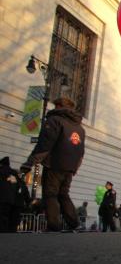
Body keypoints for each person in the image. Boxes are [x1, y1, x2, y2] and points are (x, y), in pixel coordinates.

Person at [20, 97, 85, 232]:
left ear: (60, 106)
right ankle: (74, 223)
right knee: (63, 194)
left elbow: (45, 145)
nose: (53, 108)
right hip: (70, 167)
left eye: (56, 105)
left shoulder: (54, 120)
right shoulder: (79, 128)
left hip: (54, 163)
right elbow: (80, 151)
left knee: (50, 194)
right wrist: (75, 168)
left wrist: (29, 163)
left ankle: (53, 225)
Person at [1, 156, 30, 232]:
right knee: (10, 220)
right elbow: (23, 191)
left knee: (4, 217)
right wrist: (28, 202)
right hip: (12, 201)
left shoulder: (1, 171)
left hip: (5, 199)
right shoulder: (14, 174)